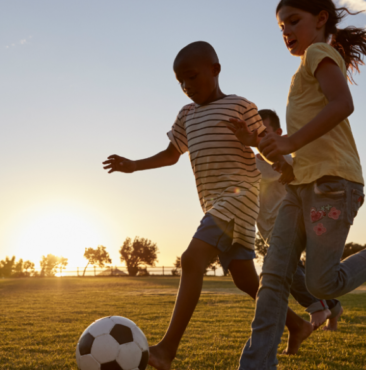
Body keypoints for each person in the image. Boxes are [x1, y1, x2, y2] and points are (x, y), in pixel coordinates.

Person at [225, 1, 366, 367]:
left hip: (333, 183)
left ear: (320, 19)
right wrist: (260, 144)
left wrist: (289, 142)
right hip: (299, 186)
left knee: (321, 285)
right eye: (281, 25)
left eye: (293, 21)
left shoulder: (318, 52)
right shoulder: (301, 71)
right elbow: (287, 166)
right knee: (272, 279)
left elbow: (343, 103)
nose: (285, 30)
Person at [102, 41, 314, 370]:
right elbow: (172, 154)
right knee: (246, 281)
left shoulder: (241, 106)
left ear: (215, 70)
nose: (186, 86)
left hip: (239, 198)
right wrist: (133, 165)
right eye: (180, 82)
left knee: (191, 258)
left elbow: (265, 144)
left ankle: (166, 350)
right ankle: (297, 324)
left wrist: (286, 167)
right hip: (214, 204)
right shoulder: (186, 115)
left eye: (192, 77)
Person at [256, 109, 343, 333]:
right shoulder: (251, 162)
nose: (261, 138)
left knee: (281, 268)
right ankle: (333, 307)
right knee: (298, 271)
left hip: (289, 221)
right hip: (266, 227)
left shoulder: (287, 157)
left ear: (279, 133)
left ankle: (317, 308)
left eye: (265, 132)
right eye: (256, 133)